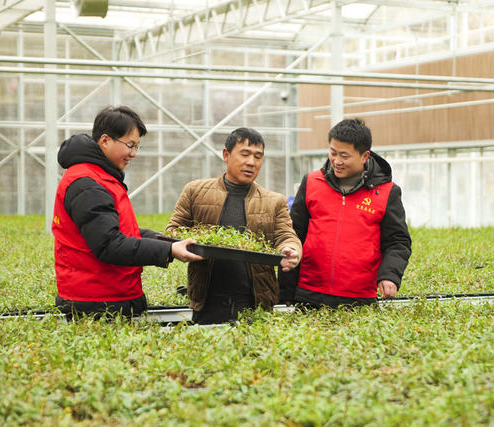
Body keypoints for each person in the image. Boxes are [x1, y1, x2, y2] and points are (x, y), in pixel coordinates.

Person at [52, 106, 202, 319]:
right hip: (98, 303)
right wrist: (168, 251)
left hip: (108, 296)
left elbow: (121, 230)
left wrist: (169, 242)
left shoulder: (100, 177)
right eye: (130, 145)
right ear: (105, 140)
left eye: (137, 147)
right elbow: (109, 244)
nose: (133, 153)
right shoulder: (88, 184)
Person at [166, 127, 302, 324]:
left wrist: (290, 249)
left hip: (257, 301)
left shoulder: (274, 201)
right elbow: (174, 230)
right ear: (226, 155)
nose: (251, 162)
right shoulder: (195, 191)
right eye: (244, 154)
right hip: (207, 300)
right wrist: (196, 241)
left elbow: (286, 236)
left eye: (258, 157)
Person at [279, 118, 412, 309]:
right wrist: (285, 292)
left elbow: (398, 241)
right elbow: (294, 235)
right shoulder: (311, 183)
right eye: (332, 153)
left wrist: (390, 276)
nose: (337, 161)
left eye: (344, 156)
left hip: (359, 299)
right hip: (308, 294)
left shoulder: (386, 192)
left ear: (364, 156)